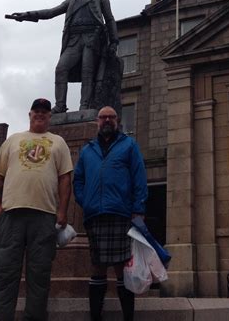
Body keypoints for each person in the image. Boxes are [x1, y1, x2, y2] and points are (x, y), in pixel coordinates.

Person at [0, 98, 73, 321]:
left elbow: (65, 179)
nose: (40, 114)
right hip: (11, 213)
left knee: (39, 275)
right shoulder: (13, 140)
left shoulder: (59, 142)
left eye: (44, 112)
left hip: (44, 215)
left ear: (49, 117)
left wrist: (62, 211)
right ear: (30, 114)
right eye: (36, 111)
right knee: (6, 272)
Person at [7, 0, 120, 113]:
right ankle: (60, 105)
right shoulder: (72, 1)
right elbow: (51, 12)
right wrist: (27, 15)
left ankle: (84, 107)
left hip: (92, 38)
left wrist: (114, 41)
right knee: (61, 69)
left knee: (88, 73)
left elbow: (110, 19)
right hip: (74, 39)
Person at [73, 106, 148, 321]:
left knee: (122, 268)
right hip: (95, 215)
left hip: (120, 213)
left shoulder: (129, 146)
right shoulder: (88, 150)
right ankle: (95, 317)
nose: (107, 120)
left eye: (111, 117)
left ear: (117, 121)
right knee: (97, 267)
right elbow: (78, 180)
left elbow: (139, 179)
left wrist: (138, 209)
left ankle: (128, 318)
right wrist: (85, 201)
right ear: (97, 121)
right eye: (103, 117)